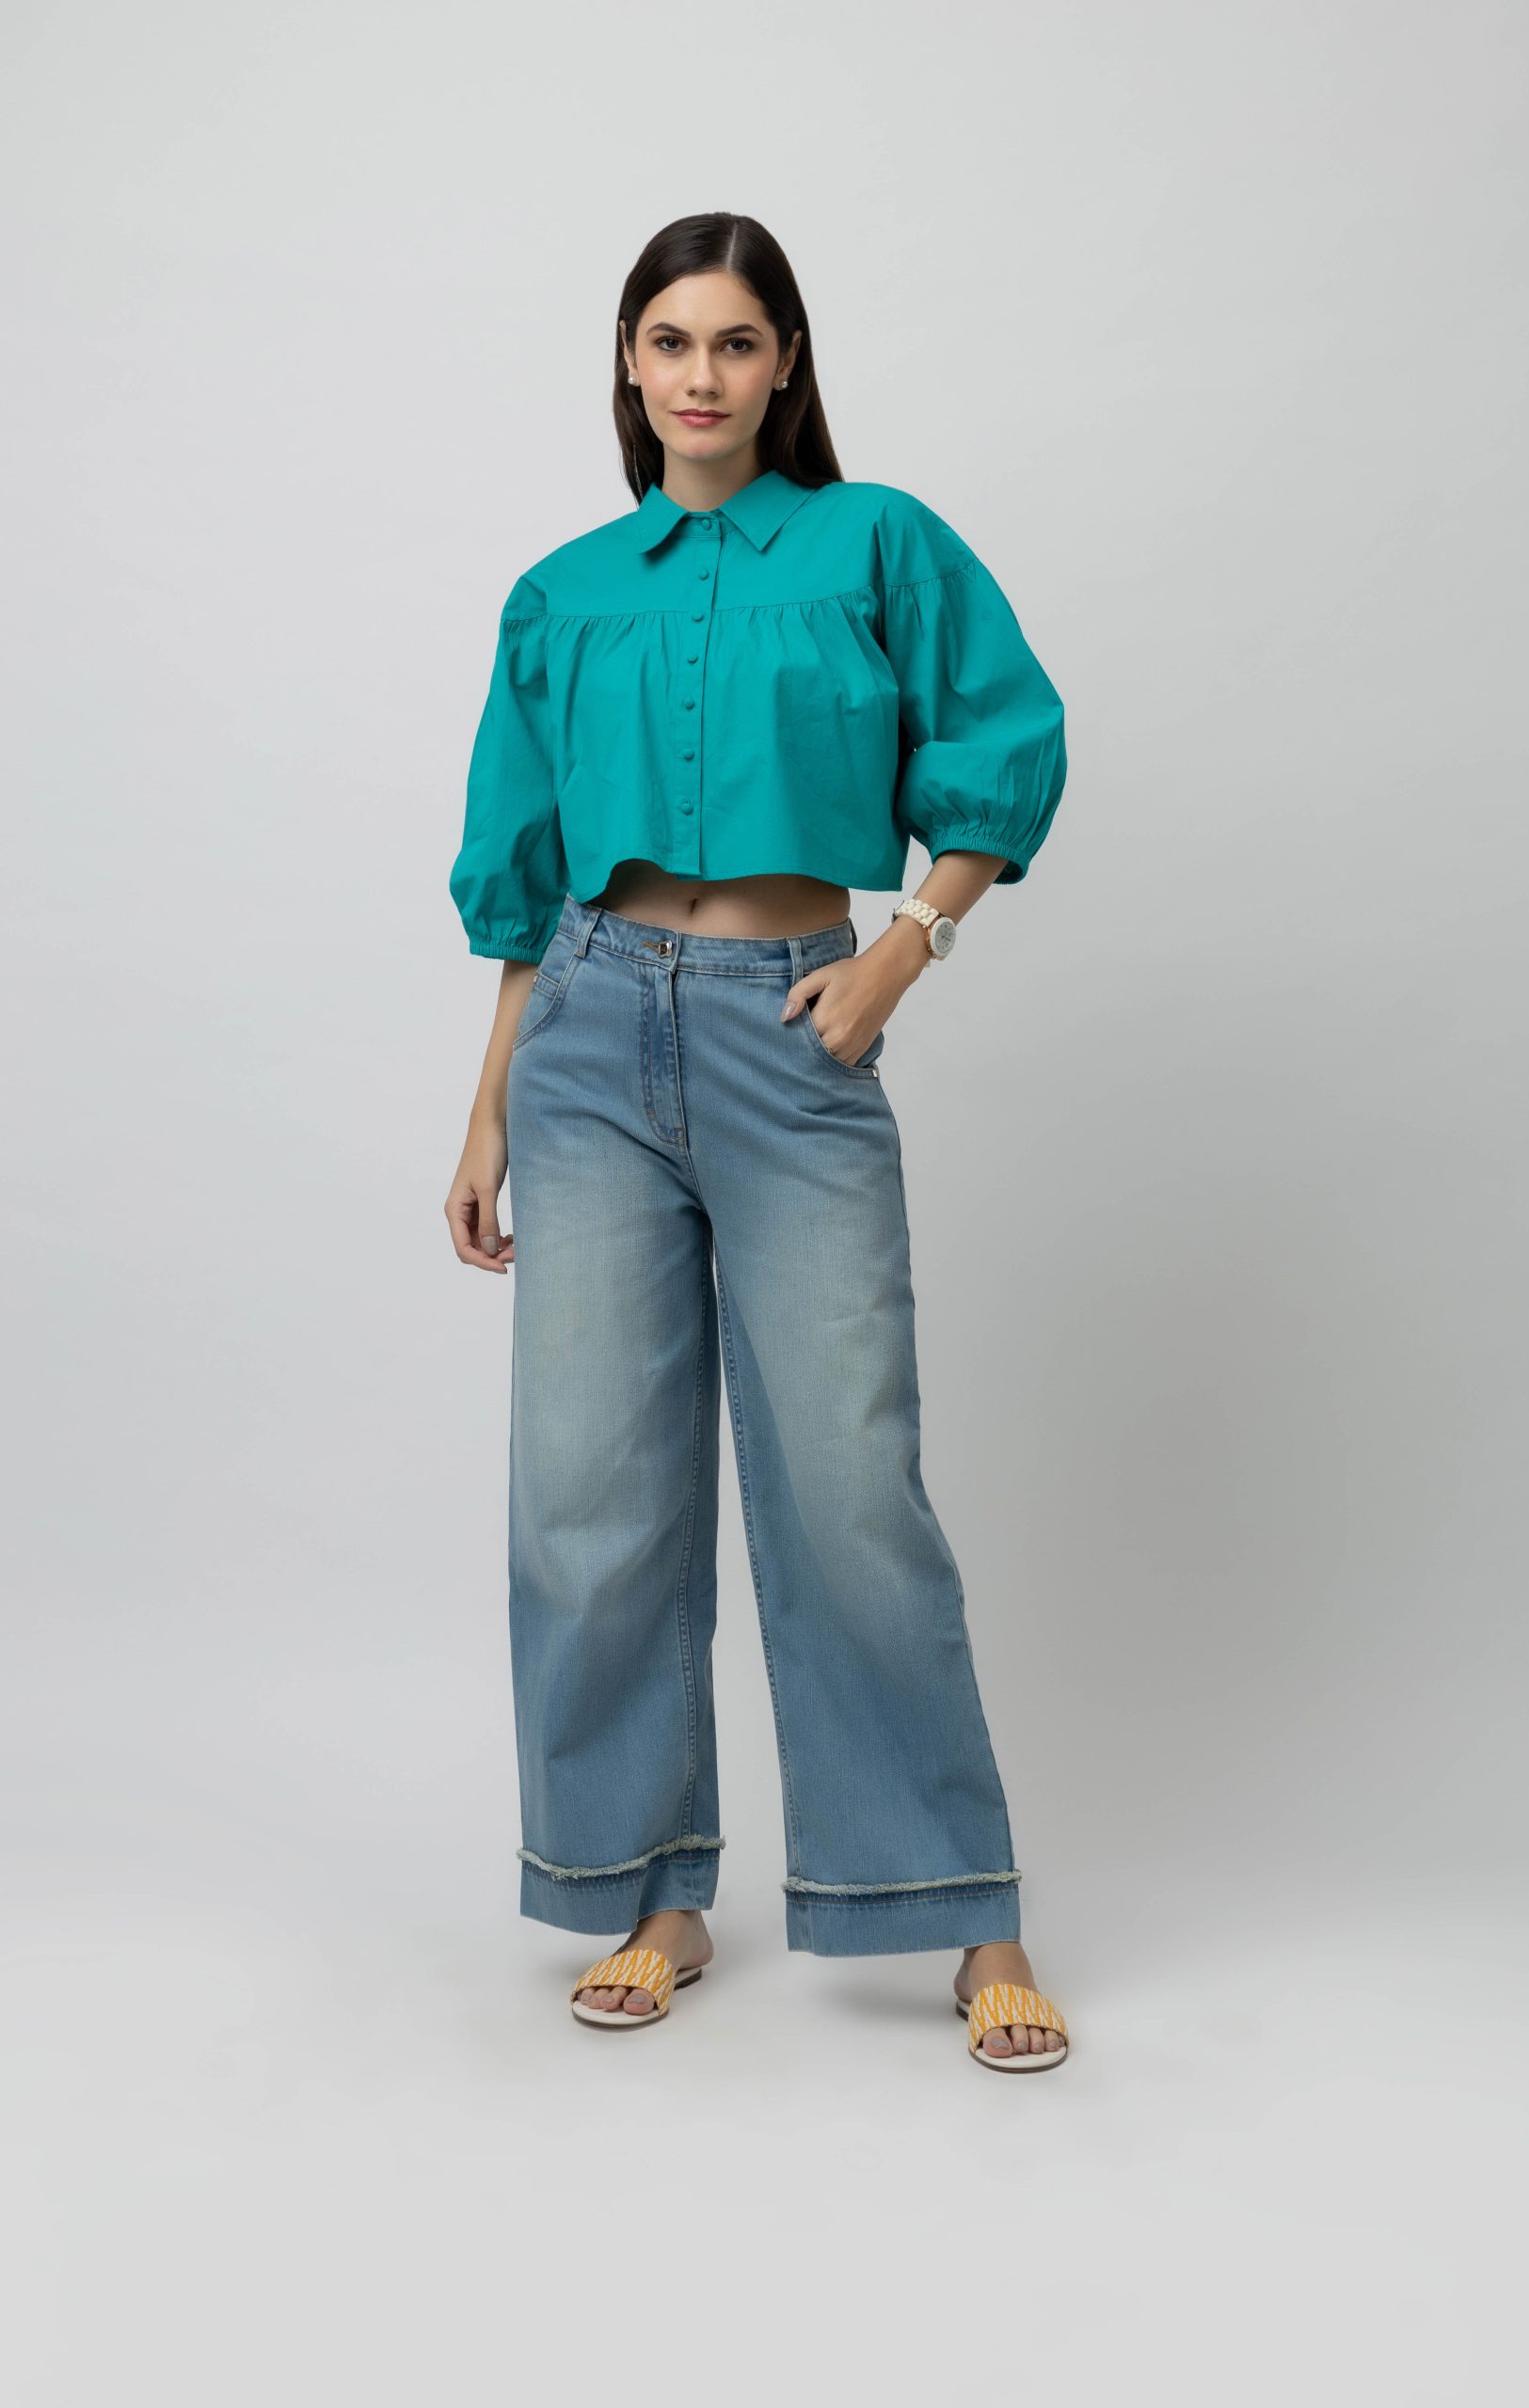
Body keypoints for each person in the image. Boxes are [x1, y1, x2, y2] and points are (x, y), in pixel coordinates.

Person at [444, 213, 1071, 2072]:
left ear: (784, 359)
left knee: (851, 1485)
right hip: (583, 1042)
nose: (699, 375)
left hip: (791, 1027)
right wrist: (486, 1104)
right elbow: (525, 878)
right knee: (586, 1498)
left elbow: (1007, 744)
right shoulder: (563, 592)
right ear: (628, 366)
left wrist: (904, 945)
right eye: (668, 341)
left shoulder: (877, 542)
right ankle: (653, 1890)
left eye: (733, 341)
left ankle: (962, 1902)